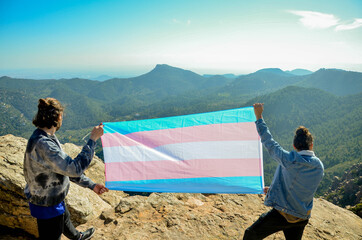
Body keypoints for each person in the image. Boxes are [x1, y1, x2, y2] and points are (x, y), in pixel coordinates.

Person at [23, 98, 109, 240]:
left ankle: (77, 237)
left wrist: (92, 185)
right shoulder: (45, 145)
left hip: (51, 196)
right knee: (53, 231)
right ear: (58, 117)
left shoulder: (43, 136)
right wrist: (93, 139)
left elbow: (63, 169)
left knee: (64, 217)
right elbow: (74, 169)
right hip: (47, 204)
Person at [243, 103, 324, 240]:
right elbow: (300, 185)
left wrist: (259, 116)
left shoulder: (288, 160)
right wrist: (274, 189)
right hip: (302, 217)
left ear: (294, 146)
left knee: (251, 234)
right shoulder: (319, 166)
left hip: (283, 215)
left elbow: (269, 142)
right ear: (311, 145)